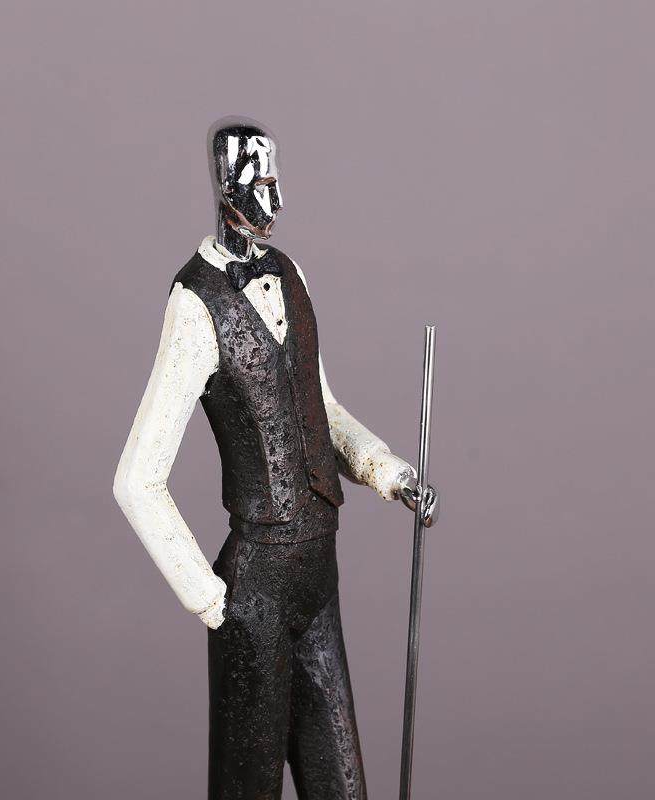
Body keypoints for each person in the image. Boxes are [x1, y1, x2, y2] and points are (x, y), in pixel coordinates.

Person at [114, 117, 438, 800]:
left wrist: (390, 473)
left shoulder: (291, 275)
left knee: (342, 782)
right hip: (255, 587)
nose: (277, 199)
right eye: (262, 182)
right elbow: (137, 479)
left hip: (319, 575)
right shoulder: (195, 304)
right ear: (226, 184)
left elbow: (322, 410)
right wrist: (211, 601)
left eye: (277, 179)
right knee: (249, 787)